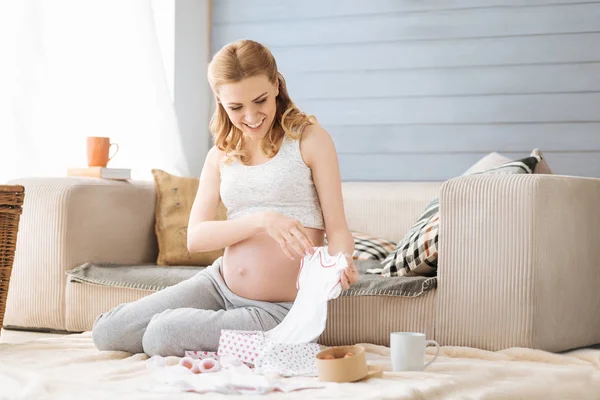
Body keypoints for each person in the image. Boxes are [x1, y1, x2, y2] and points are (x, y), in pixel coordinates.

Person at [92, 39, 359, 357]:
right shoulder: (220, 154)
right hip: (218, 284)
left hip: (277, 312)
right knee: (108, 332)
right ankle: (239, 347)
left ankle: (277, 342)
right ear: (220, 100)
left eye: (260, 100)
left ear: (276, 84)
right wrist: (262, 220)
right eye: (236, 107)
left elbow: (338, 228)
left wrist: (340, 263)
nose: (251, 116)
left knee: (162, 335)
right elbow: (196, 237)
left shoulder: (310, 139)